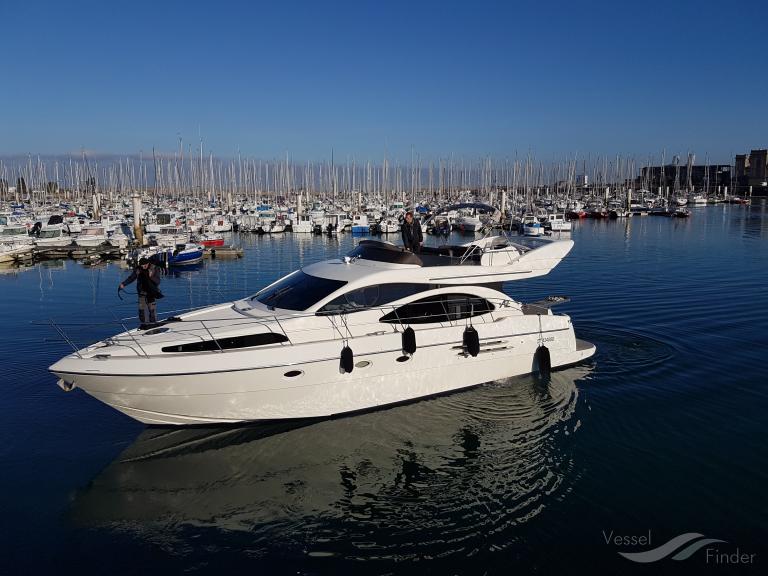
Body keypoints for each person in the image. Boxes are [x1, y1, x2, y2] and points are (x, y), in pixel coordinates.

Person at [119, 257, 162, 325]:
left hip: (151, 292)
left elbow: (158, 282)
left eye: (143, 265)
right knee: (142, 310)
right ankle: (144, 324)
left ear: (147, 264)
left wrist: (151, 276)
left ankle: (153, 324)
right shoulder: (138, 269)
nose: (142, 267)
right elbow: (132, 278)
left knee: (152, 309)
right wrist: (123, 284)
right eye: (141, 265)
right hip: (141, 292)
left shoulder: (154, 268)